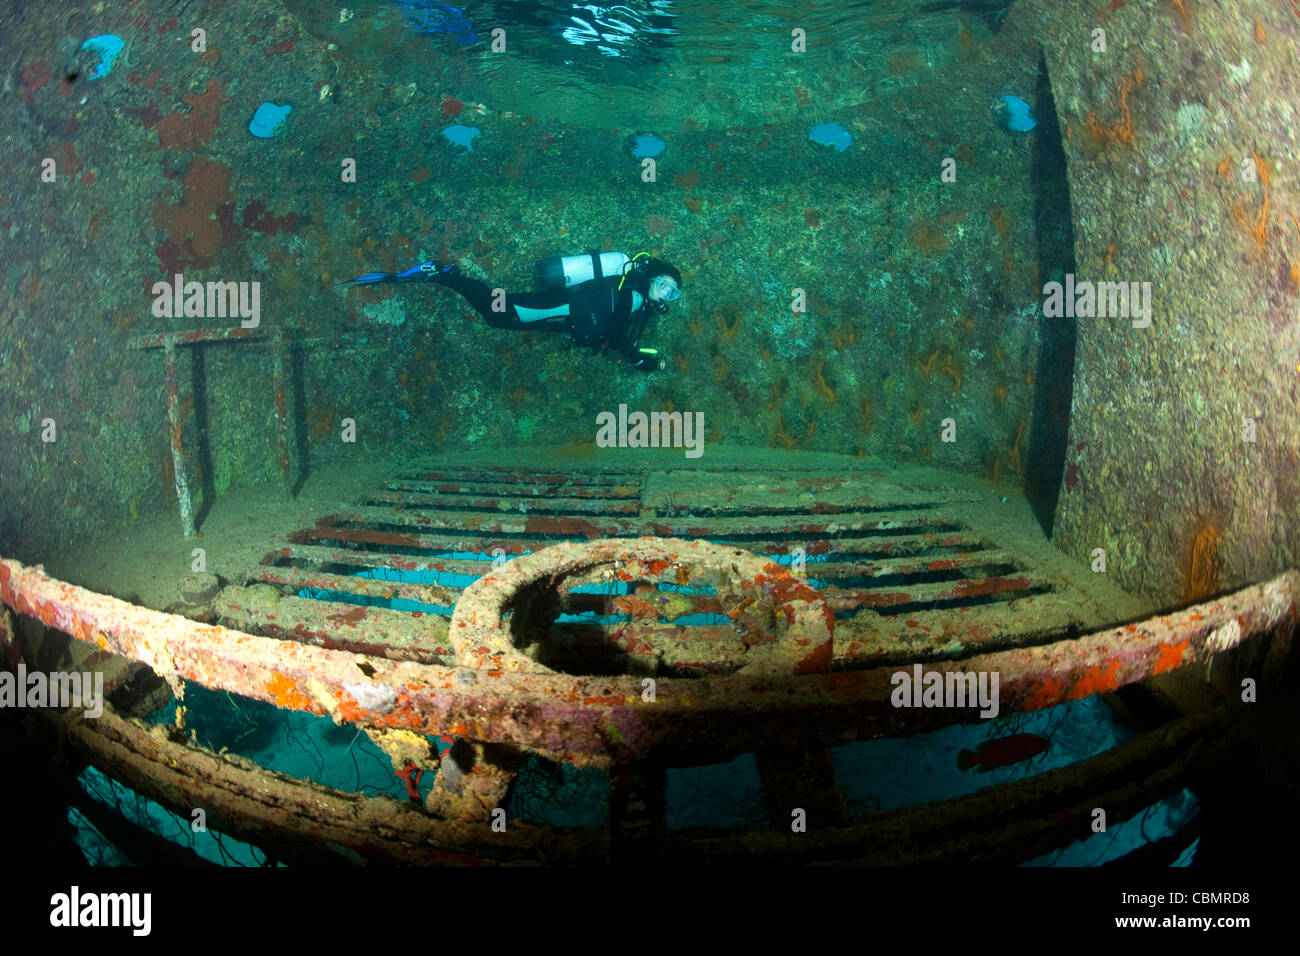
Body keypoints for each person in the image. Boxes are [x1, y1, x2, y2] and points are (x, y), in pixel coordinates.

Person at [343, 251, 681, 372]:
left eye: (672, 291)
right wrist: (637, 358)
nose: (665, 292)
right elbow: (615, 330)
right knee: (497, 312)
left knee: (500, 311)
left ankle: (445, 276)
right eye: (664, 283)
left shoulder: (636, 296)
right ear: (652, 277)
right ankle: (443, 275)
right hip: (563, 307)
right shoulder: (634, 294)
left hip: (564, 311)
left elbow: (612, 329)